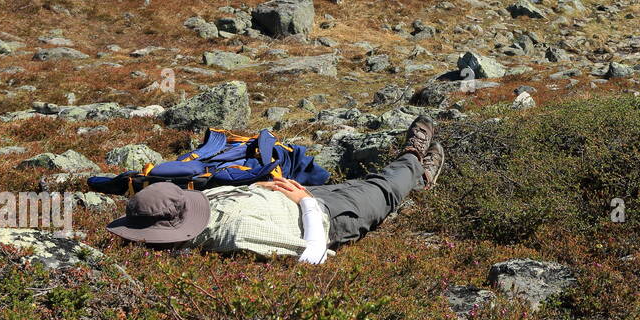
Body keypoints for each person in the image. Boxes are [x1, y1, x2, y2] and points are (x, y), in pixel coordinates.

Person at [106, 116, 444, 262]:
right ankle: (414, 159)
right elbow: (314, 256)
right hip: (327, 216)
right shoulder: (238, 235)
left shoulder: (194, 203)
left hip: (291, 194)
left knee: (363, 185)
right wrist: (306, 203)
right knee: (383, 191)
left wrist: (265, 186)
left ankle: (416, 177)